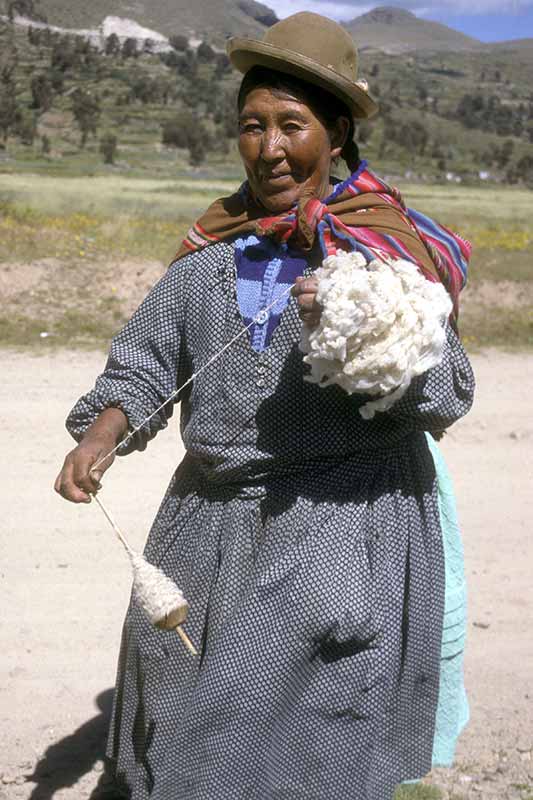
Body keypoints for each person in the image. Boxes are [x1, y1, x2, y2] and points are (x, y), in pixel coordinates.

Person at [55, 12, 474, 800]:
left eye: (292, 124)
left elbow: (448, 391)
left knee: (296, 737)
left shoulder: (379, 258)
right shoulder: (212, 254)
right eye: (252, 125)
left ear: (338, 131)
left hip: (341, 524)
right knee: (174, 707)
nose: (269, 146)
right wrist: (104, 432)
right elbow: (146, 363)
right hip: (204, 525)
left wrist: (350, 332)